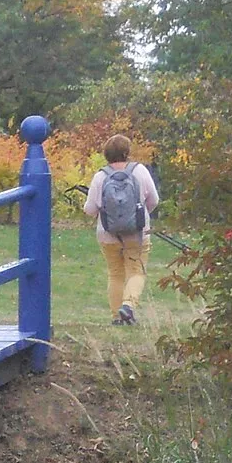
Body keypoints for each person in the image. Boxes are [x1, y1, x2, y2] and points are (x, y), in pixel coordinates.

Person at [82, 134, 159, 325]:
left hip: (108, 235)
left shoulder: (100, 176)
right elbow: (154, 200)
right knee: (136, 271)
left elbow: (90, 209)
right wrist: (139, 217)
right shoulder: (140, 171)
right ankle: (128, 306)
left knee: (115, 274)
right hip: (137, 234)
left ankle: (117, 316)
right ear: (127, 153)